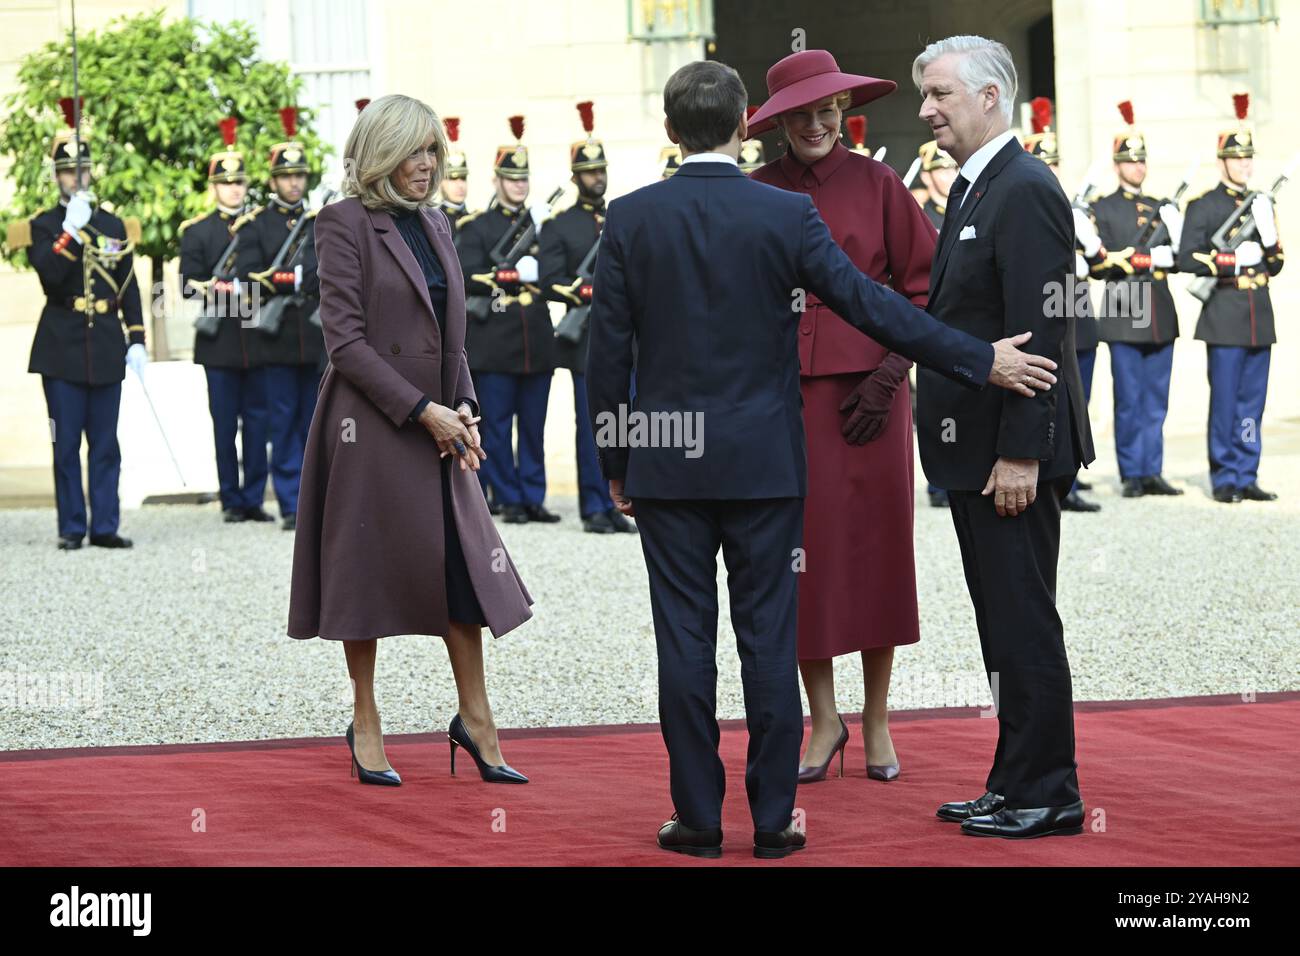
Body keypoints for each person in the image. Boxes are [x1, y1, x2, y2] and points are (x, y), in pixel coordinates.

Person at [586, 59, 1059, 859]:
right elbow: (875, 305)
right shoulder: (781, 215)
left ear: (670, 133)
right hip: (766, 461)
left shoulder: (630, 217)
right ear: (746, 126)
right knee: (770, 639)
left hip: (669, 466)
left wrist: (617, 461)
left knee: (683, 642)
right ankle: (772, 822)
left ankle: (697, 820)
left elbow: (608, 357)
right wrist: (978, 358)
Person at [288, 94, 534, 786]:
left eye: (432, 151)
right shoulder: (341, 224)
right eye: (411, 152)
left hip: (439, 424)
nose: (425, 164)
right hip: (369, 424)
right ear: (379, 155)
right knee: (362, 573)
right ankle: (365, 719)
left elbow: (451, 335)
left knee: (462, 574)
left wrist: (462, 406)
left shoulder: (438, 223)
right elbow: (345, 342)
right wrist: (423, 409)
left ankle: (477, 720)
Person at [914, 35, 1094, 839]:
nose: (926, 110)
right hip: (977, 451)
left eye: (941, 94)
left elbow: (1044, 329)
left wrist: (1021, 450)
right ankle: (1014, 776)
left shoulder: (1023, 189)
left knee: (1023, 619)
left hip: (1007, 455)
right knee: (1001, 621)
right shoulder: (975, 188)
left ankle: (1049, 791)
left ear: (990, 97)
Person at [747, 49, 935, 786]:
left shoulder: (880, 183)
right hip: (786, 405)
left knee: (878, 556)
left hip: (875, 403)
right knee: (804, 560)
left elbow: (924, 290)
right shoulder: (757, 191)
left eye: (828, 110)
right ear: (779, 123)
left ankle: (880, 718)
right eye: (803, 113)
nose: (818, 123)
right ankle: (823, 720)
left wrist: (892, 374)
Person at [22, 96, 145, 550]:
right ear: (56, 175)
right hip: (60, 346)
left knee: (106, 443)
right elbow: (50, 277)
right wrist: (70, 233)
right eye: (68, 171)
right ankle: (72, 527)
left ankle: (105, 525)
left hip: (107, 343)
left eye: (83, 170)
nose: (77, 178)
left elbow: (129, 284)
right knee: (66, 443)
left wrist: (137, 338)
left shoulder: (112, 223)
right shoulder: (44, 225)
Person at [1178, 93, 1283, 504]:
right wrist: (1232, 260)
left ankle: (1247, 469)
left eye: (1249, 158)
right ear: (1222, 161)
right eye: (1237, 158)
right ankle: (1224, 474)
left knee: (1252, 405)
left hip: (1259, 313)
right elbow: (1188, 257)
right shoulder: (1204, 206)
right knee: (1225, 400)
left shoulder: (1260, 204)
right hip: (1224, 313)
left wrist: (1270, 240)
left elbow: (1274, 264)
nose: (1245, 164)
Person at [455, 116, 561, 524]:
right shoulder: (478, 226)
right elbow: (468, 276)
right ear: (497, 180)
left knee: (533, 427)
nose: (519, 185)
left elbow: (553, 272)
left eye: (523, 179)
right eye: (511, 178)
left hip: (535, 338)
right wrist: (512, 274)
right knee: (497, 426)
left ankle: (534, 495)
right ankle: (509, 497)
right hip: (495, 341)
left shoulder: (543, 225)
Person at [539, 101, 636, 534]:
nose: (599, 177)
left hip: (625, 338)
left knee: (624, 422)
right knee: (589, 425)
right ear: (576, 176)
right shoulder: (560, 225)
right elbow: (549, 280)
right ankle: (593, 507)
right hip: (586, 341)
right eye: (591, 171)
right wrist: (584, 289)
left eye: (602, 170)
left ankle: (620, 502)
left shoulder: (622, 216)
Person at [180, 117, 273, 524]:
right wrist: (227, 289)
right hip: (219, 341)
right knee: (224, 426)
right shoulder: (197, 232)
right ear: (213, 187)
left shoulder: (261, 226)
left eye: (239, 183)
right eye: (226, 183)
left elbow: (272, 273)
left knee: (258, 423)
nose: (234, 189)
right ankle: (230, 498)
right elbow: (186, 284)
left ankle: (254, 498)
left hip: (256, 336)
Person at [1090, 100, 1185, 499]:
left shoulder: (1163, 207)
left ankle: (1153, 468)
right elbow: (1100, 264)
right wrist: (1142, 257)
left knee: (1156, 399)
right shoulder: (1102, 207)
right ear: (1117, 165)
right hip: (1124, 307)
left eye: (1142, 161)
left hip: (1159, 309)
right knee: (1129, 398)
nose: (1138, 167)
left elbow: (1181, 256)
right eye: (1130, 162)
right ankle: (1131, 471)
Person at [234, 107, 323, 531]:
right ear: (273, 181)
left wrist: (309, 280)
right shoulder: (255, 225)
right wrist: (295, 279)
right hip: (275, 338)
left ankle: (315, 501)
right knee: (282, 423)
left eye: (299, 176)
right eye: (286, 176)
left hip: (316, 335)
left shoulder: (320, 222)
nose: (293, 182)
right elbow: (246, 276)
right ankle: (291, 503)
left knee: (315, 423)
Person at [1022, 97, 1103, 512]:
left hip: (1076, 308)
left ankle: (1069, 469)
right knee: (1047, 396)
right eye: (1043, 162)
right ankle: (1051, 472)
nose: (1050, 171)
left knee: (1078, 396)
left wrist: (1093, 252)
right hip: (1044, 313)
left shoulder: (1073, 207)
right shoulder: (1030, 203)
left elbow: (1102, 262)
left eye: (1054, 164)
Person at [917, 139, 959, 508]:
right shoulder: (920, 214)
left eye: (952, 168)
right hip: (931, 316)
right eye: (941, 169)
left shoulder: (964, 208)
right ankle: (939, 482)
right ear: (927, 175)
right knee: (937, 400)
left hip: (965, 317)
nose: (949, 175)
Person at [438, 116, 474, 227]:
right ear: (440, 181)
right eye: (452, 179)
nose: (460, 185)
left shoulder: (476, 221)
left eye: (463, 178)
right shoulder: (433, 222)